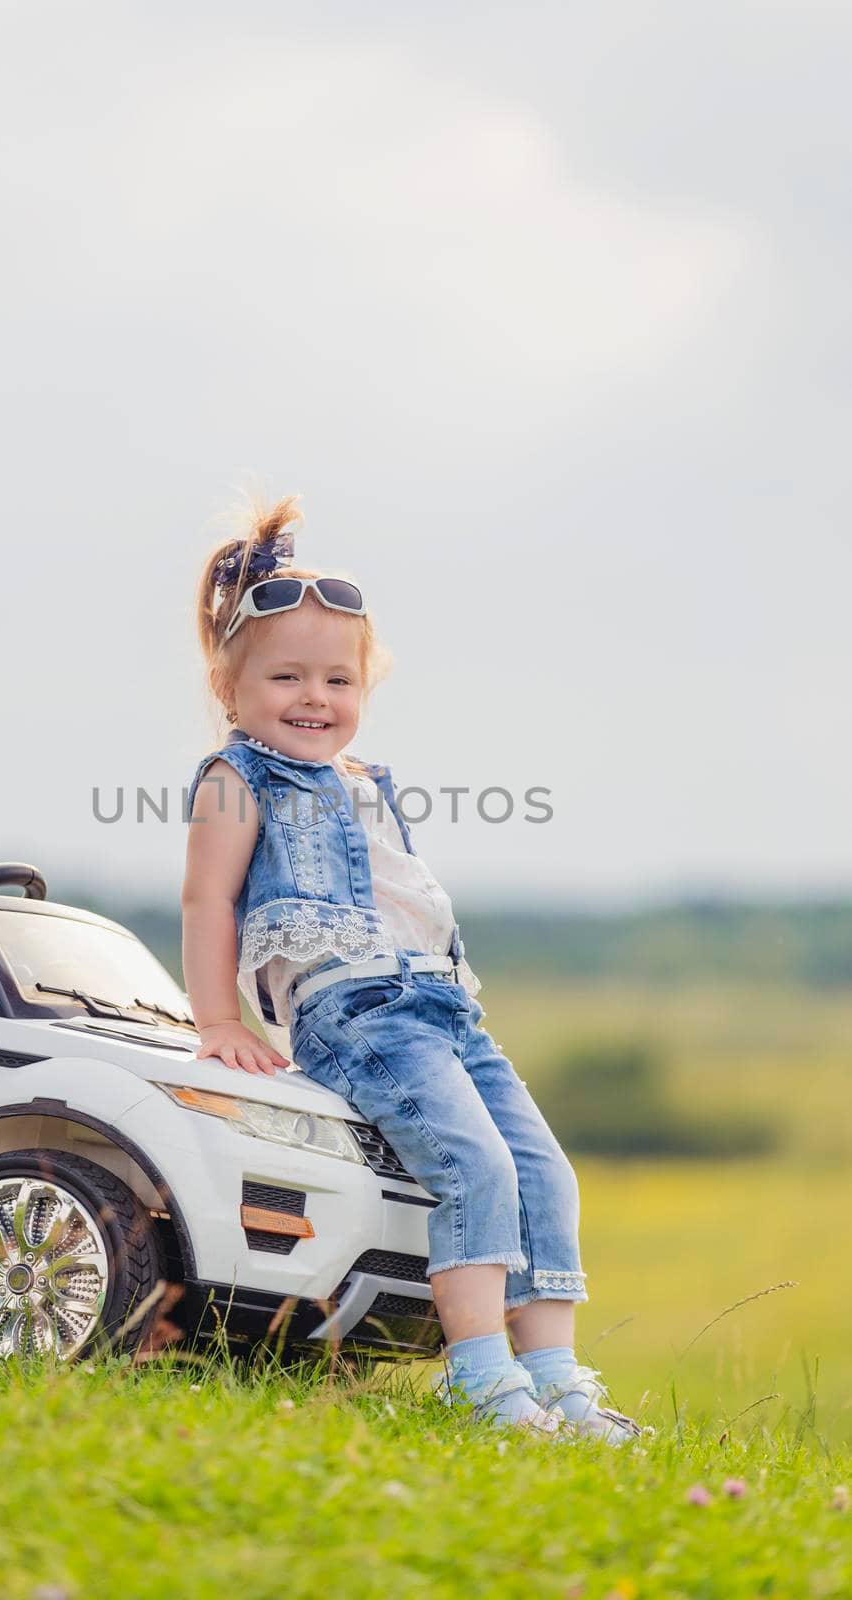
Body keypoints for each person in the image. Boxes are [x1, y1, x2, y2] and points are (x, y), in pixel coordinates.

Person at [180, 493, 641, 1445]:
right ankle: (478, 1375)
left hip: (442, 1009)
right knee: (470, 1165)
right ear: (230, 690)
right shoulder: (238, 779)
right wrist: (219, 1020)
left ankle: (555, 1378)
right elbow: (207, 903)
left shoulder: (366, 785)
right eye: (285, 678)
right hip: (357, 1014)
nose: (315, 698)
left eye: (338, 680)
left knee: (541, 1171)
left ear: (365, 687)